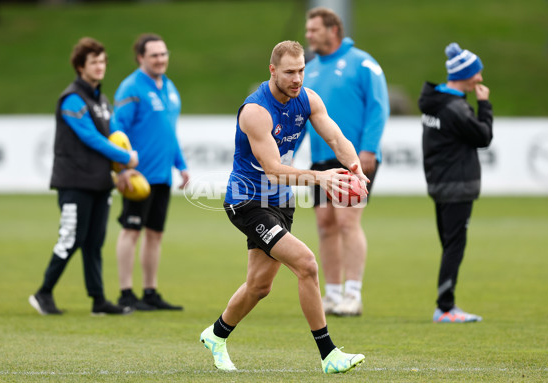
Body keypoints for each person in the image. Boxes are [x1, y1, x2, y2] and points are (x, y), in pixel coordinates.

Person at [200, 40, 367, 374]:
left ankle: (216, 335)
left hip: (281, 204)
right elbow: (274, 169)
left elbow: (335, 138)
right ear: (273, 71)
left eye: (302, 70)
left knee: (259, 286)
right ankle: (329, 354)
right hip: (247, 201)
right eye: (290, 72)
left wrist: (355, 167)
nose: (297, 79)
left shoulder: (307, 98)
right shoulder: (255, 111)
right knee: (306, 263)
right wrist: (320, 178)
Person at [29, 37, 139, 316]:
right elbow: (90, 137)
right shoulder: (72, 99)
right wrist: (126, 158)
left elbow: (115, 135)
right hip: (74, 182)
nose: (100, 66)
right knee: (71, 239)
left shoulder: (101, 99)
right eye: (94, 62)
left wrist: (124, 169)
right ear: (80, 66)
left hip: (100, 182)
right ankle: (43, 293)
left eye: (103, 61)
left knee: (93, 242)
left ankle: (98, 301)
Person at [303, 7, 390, 316]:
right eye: (308, 29)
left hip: (354, 159)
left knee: (347, 221)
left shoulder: (363, 63)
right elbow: (302, 118)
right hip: (319, 161)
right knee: (325, 225)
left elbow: (379, 108)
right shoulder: (309, 70)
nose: (308, 35)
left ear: (333, 30)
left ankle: (353, 295)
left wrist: (367, 149)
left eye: (314, 29)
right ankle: (332, 293)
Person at [112, 33, 190, 311]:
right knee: (131, 230)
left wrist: (181, 165)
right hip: (138, 176)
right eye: (154, 55)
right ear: (140, 58)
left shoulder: (169, 87)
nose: (160, 59)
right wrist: (122, 168)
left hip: (162, 176)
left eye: (163, 53)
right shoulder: (131, 88)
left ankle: (150, 291)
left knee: (155, 234)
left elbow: (169, 132)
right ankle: (125, 293)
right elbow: (117, 130)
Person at [418, 42, 493, 323]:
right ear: (465, 74)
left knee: (449, 244)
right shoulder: (456, 109)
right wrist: (484, 105)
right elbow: (483, 136)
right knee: (454, 246)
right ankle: (446, 307)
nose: (480, 79)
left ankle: (446, 305)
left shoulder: (435, 102)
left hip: (439, 184)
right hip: (457, 186)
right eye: (477, 73)